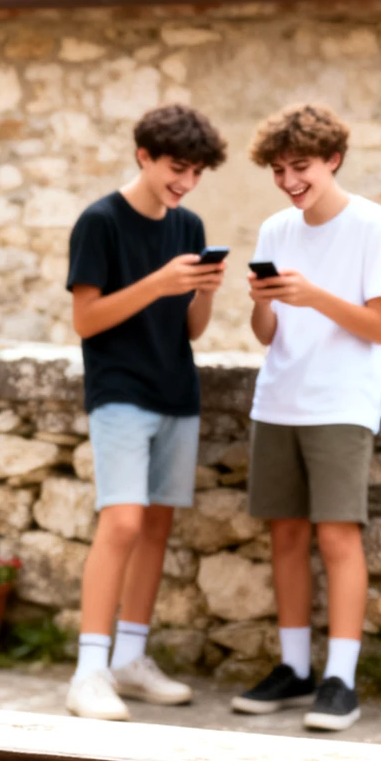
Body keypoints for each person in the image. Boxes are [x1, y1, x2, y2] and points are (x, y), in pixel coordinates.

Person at [231, 104, 381, 733]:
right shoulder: (276, 229)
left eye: (299, 167)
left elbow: (378, 326)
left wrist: (315, 296)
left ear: (332, 160)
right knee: (284, 537)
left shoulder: (374, 225)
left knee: (337, 537)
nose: (288, 181)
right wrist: (263, 304)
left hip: (342, 403)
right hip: (277, 399)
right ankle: (295, 668)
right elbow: (265, 334)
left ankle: (341, 681)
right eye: (278, 170)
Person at [63, 105, 228, 721]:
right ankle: (88, 671)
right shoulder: (99, 222)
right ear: (144, 156)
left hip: (177, 391)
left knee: (156, 526)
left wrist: (203, 292)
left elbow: (193, 329)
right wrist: (159, 282)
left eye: (196, 173)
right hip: (119, 390)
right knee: (123, 523)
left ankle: (130, 659)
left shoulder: (189, 226)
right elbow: (86, 320)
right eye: (176, 169)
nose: (184, 183)